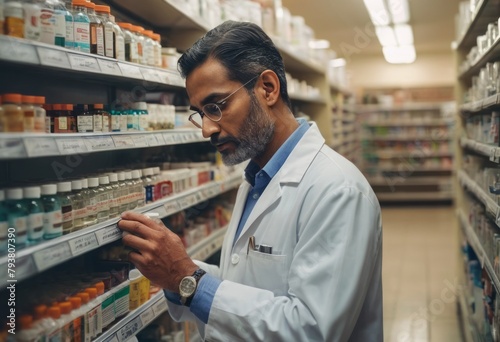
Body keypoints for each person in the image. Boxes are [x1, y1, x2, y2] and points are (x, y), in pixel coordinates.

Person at [118, 20, 383, 341]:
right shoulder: (256, 178)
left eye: (216, 106)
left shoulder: (338, 189)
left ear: (267, 89)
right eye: (200, 112)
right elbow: (249, 287)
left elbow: (311, 330)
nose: (207, 129)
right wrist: (174, 274)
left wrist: (187, 278)